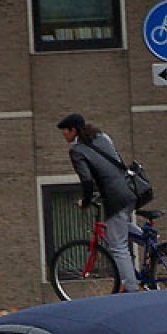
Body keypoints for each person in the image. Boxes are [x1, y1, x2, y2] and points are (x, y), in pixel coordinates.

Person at [58, 113, 141, 293]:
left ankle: (133, 290)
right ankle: (150, 241)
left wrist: (86, 201)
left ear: (73, 130)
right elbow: (114, 164)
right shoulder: (102, 137)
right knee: (122, 225)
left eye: (65, 131)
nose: (63, 135)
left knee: (118, 246)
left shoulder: (77, 151)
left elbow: (86, 180)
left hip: (115, 197)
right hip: (129, 190)